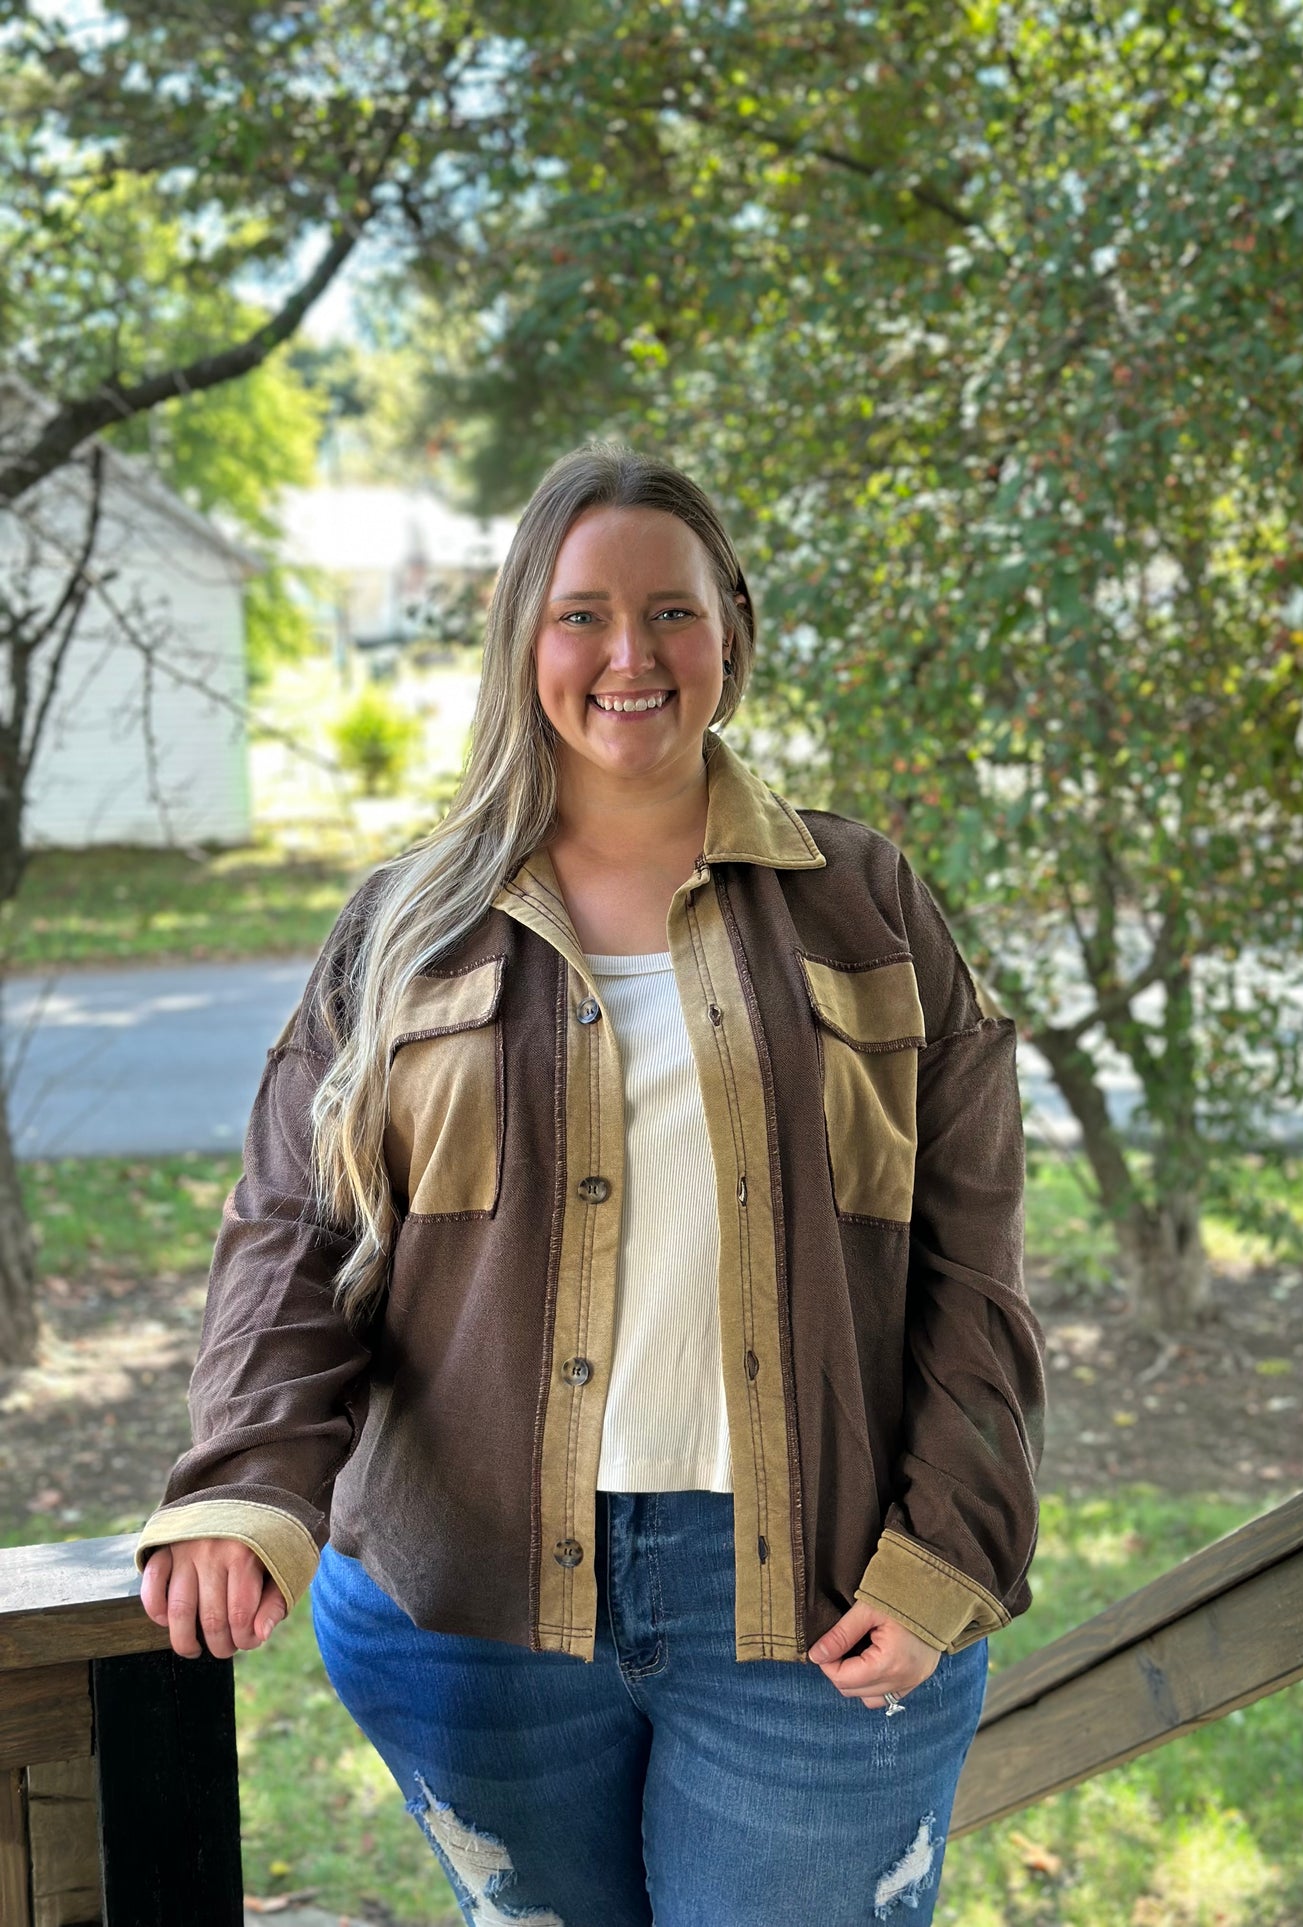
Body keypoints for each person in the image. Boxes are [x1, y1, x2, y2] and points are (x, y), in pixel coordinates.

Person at [137, 442, 1046, 1927]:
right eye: (582, 615)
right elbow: (293, 1235)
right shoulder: (405, 923)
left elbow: (972, 1264)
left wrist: (949, 1540)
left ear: (732, 631)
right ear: (523, 641)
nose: (633, 655)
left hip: (820, 1604)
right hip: (469, 1610)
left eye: (673, 611)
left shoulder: (864, 903)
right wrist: (245, 1484)